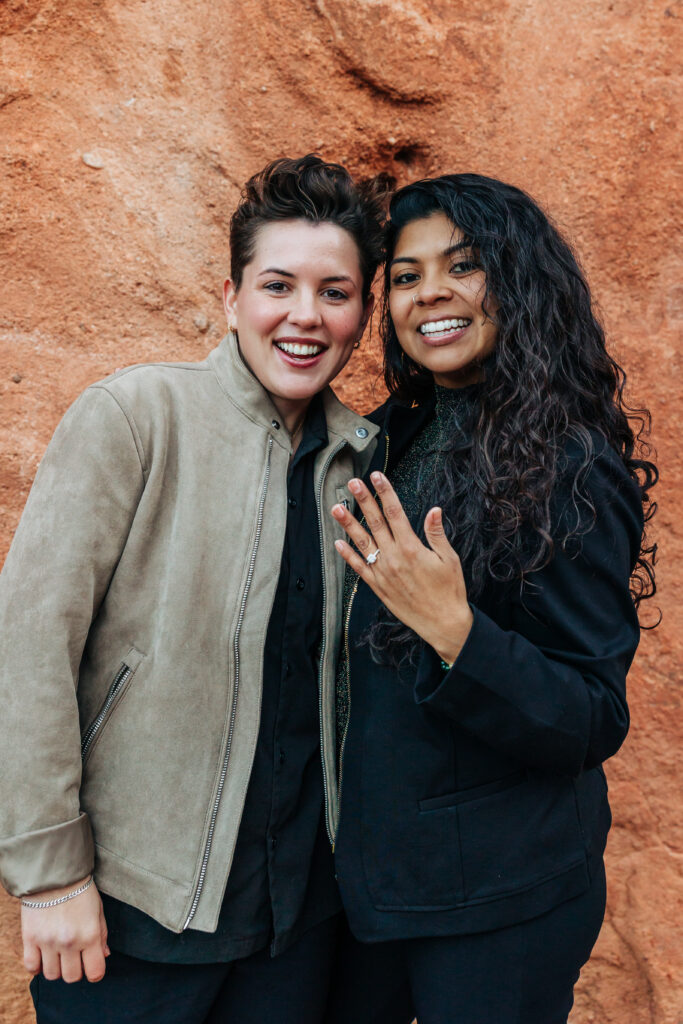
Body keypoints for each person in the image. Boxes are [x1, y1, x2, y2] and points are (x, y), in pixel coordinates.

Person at [0, 155, 388, 1023]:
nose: (304, 315)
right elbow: (25, 651)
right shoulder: (136, 418)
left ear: (363, 314)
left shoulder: (362, 464)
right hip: (136, 913)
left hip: (298, 923)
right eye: (277, 285)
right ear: (230, 297)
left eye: (335, 292)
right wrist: (48, 871)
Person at [326, 173, 658, 1024]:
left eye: (463, 265)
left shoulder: (570, 462)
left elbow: (590, 716)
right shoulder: (392, 431)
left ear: (516, 283)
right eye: (404, 275)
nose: (429, 292)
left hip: (498, 904)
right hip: (375, 884)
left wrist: (455, 631)